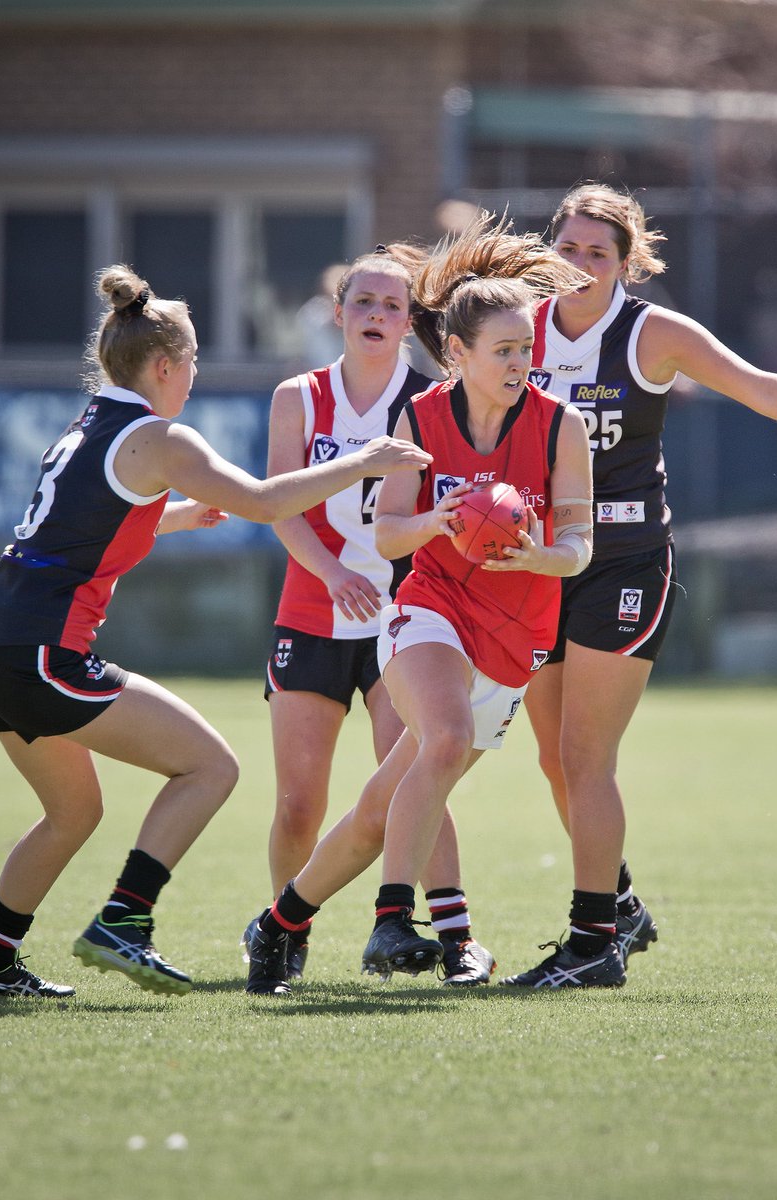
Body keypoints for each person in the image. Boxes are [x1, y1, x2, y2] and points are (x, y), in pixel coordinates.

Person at [0, 264, 430, 1001]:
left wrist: (171, 516)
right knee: (210, 767)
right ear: (166, 366)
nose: (196, 374)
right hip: (42, 650)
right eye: (196, 361)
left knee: (72, 812)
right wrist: (365, 461)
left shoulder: (89, 424)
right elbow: (269, 502)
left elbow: (80, 525)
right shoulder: (162, 438)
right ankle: (125, 922)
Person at [514, 182, 777, 988]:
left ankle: (592, 949)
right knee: (553, 759)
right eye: (570, 246)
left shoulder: (653, 333)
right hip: (543, 563)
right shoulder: (520, 331)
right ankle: (618, 906)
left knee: (588, 755)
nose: (581, 263)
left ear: (627, 264)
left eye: (599, 251)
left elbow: (759, 386)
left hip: (624, 560)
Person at [242, 213, 600, 995]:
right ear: (458, 354)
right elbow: (392, 534)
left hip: (516, 635)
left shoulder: (560, 426)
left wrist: (544, 555)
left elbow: (580, 543)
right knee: (443, 738)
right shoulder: (423, 418)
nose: (520, 365)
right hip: (428, 610)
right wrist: (440, 521)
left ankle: (281, 920)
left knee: (383, 803)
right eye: (504, 352)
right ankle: (391, 920)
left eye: (527, 352)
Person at [242, 245, 493, 988]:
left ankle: (455, 938)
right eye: (365, 303)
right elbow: (278, 504)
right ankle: (286, 938)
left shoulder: (432, 400)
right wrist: (332, 571)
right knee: (297, 804)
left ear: (410, 318)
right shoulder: (300, 396)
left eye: (392, 305)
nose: (378, 316)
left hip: (402, 616)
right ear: (339, 313)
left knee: (419, 775)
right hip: (312, 608)